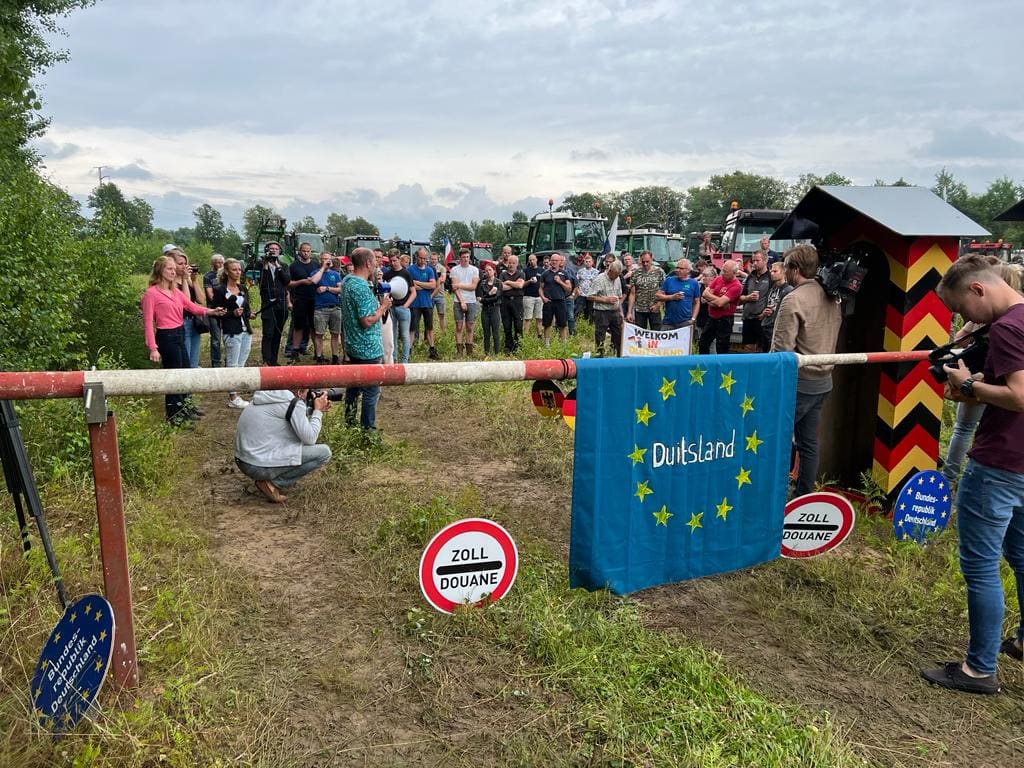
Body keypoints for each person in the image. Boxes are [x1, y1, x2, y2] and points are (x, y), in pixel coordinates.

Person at [920, 254, 1024, 695]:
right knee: (1022, 557)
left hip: (998, 463)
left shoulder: (1008, 328)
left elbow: (1018, 396)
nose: (966, 319)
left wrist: (966, 384)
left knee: (981, 568)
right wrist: (976, 386)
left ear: (978, 289)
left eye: (962, 308)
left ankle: (978, 669)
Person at [769, 244, 841, 497]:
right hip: (824, 381)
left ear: (795, 269)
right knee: (808, 442)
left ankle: (773, 495)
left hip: (799, 383)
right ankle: (803, 496)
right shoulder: (831, 296)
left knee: (774, 439)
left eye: (786, 266)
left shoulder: (794, 299)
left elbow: (782, 351)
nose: (784, 271)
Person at [141, 255, 226, 424]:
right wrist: (153, 348)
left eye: (174, 269)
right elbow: (148, 323)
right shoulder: (151, 294)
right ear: (160, 271)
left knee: (185, 372)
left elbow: (191, 307)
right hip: (166, 337)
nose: (173, 272)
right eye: (169, 269)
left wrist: (211, 311)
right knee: (174, 376)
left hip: (180, 333)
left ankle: (185, 408)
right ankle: (174, 415)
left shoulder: (175, 292)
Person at [234, 388, 333, 503]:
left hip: (243, 461)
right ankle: (273, 484)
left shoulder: (267, 396)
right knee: (324, 453)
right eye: (307, 392)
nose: (309, 395)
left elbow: (285, 413)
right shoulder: (293, 404)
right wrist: (318, 411)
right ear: (300, 392)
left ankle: (268, 479)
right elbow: (310, 438)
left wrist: (311, 410)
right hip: (257, 466)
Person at [341, 248, 391, 429]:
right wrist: (383, 307)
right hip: (367, 347)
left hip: (352, 344)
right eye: (375, 262)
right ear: (368, 263)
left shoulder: (347, 281)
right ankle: (368, 429)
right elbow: (367, 321)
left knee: (353, 387)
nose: (377, 265)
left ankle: (349, 422)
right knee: (371, 391)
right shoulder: (361, 287)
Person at [210, 258, 254, 409]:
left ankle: (236, 390)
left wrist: (248, 314)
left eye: (239, 269)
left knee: (241, 362)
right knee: (232, 363)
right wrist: (231, 313)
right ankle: (232, 396)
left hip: (245, 330)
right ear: (227, 272)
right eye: (234, 269)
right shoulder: (220, 290)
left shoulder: (243, 288)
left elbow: (246, 308)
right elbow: (215, 312)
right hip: (231, 331)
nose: (238, 272)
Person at [699, 260, 742, 354]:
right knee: (703, 342)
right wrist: (718, 300)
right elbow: (705, 293)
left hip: (724, 319)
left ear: (734, 273)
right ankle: (703, 361)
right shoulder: (718, 279)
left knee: (721, 346)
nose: (722, 273)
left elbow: (719, 303)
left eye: (725, 272)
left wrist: (711, 300)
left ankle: (721, 363)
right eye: (722, 270)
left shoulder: (737, 286)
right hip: (712, 317)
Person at [172, 250, 206, 369]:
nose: (184, 266)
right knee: (185, 360)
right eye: (180, 264)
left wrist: (194, 280)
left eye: (185, 264)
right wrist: (185, 280)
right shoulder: (171, 283)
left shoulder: (188, 279)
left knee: (194, 360)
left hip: (194, 321)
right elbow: (185, 301)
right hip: (181, 321)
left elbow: (201, 300)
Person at [258, 242, 290, 366]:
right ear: (267, 250)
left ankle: (273, 360)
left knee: (277, 332)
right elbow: (262, 282)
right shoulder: (261, 265)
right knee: (268, 332)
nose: (274, 251)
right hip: (267, 303)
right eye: (271, 249)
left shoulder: (284, 266)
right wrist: (266, 264)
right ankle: (266, 359)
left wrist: (278, 266)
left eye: (276, 249)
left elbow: (286, 281)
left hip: (281, 303)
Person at [287, 242, 319, 364]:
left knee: (314, 327)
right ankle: (294, 351)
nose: (306, 253)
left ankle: (318, 352)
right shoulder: (294, 266)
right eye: (304, 251)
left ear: (311, 252)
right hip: (299, 299)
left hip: (314, 299)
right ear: (300, 251)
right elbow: (288, 284)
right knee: (298, 326)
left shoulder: (315, 265)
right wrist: (301, 281)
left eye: (308, 251)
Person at [385, 248, 416, 364]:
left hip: (403, 308)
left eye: (395, 260)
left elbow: (413, 292)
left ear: (399, 259)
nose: (393, 263)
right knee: (392, 335)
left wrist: (406, 305)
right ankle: (394, 359)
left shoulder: (406, 273)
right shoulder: (387, 274)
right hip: (391, 308)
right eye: (391, 261)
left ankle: (405, 360)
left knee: (405, 336)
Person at [312, 250, 343, 365]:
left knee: (335, 333)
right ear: (320, 260)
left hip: (335, 307)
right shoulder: (316, 272)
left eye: (329, 259)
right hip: (320, 308)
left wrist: (327, 288)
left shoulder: (335, 274)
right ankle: (319, 356)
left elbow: (340, 289)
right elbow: (314, 281)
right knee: (319, 334)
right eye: (324, 259)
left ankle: (335, 356)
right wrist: (322, 268)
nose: (327, 261)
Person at [588, 260, 624, 356]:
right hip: (602, 312)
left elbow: (619, 296)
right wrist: (605, 300)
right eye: (615, 274)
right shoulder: (599, 279)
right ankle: (600, 356)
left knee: (618, 334)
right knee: (600, 335)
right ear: (610, 271)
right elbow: (590, 296)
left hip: (615, 311)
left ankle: (619, 355)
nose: (616, 277)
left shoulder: (618, 278)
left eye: (618, 275)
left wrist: (620, 312)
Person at [409, 248, 439, 359]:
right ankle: (409, 350)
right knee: (412, 328)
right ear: (416, 257)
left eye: (424, 258)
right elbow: (410, 285)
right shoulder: (410, 269)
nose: (423, 261)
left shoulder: (429, 270)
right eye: (421, 258)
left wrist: (417, 282)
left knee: (429, 328)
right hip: (414, 303)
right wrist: (425, 285)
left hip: (427, 303)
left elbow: (433, 285)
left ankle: (432, 349)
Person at [738, 250, 771, 352]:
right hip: (748, 318)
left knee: (762, 349)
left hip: (762, 320)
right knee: (748, 348)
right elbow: (740, 298)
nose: (755, 263)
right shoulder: (750, 277)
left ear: (765, 261)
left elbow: (774, 298)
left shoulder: (771, 277)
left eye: (757, 260)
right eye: (753, 261)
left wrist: (766, 312)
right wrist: (748, 298)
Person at [450, 248, 480, 357]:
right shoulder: (454, 270)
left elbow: (473, 286)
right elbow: (455, 288)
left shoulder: (474, 270)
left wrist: (459, 285)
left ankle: (469, 351)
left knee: (470, 326)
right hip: (458, 300)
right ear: (460, 258)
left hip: (471, 300)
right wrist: (462, 301)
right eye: (463, 257)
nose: (466, 259)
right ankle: (459, 351)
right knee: (459, 326)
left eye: (467, 257)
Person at [656, 258, 701, 331]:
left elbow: (697, 302)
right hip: (668, 322)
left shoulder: (694, 283)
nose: (678, 270)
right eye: (677, 268)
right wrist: (672, 297)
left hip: (685, 322)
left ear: (688, 270)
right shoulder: (669, 280)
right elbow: (658, 296)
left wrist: (693, 319)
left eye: (681, 268)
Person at [759, 259, 793, 352]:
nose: (772, 273)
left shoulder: (788, 290)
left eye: (775, 271)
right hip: (766, 326)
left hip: (776, 329)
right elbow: (766, 307)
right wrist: (764, 313)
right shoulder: (772, 288)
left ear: (783, 273)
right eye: (771, 271)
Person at [627, 250, 666, 330]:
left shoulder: (659, 272)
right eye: (643, 262)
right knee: (640, 333)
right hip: (640, 309)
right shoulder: (635, 273)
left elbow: (664, 290)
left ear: (652, 259)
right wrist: (629, 312)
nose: (645, 264)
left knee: (656, 332)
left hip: (654, 308)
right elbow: (632, 293)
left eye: (647, 261)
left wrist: (658, 305)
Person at [539, 252, 572, 346]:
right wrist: (543, 297)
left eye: (556, 260)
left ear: (560, 261)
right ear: (550, 261)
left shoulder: (564, 273)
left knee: (562, 324)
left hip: (560, 301)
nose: (554, 262)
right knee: (547, 324)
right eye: (552, 260)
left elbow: (569, 288)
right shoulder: (545, 274)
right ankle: (547, 345)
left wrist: (560, 281)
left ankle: (564, 345)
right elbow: (540, 288)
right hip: (548, 302)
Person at [498, 253, 525, 354]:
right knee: (507, 325)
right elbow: (501, 287)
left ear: (517, 264)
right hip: (505, 302)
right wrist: (514, 284)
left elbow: (520, 286)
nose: (511, 265)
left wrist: (508, 282)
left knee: (518, 325)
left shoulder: (521, 274)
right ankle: (508, 347)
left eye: (513, 263)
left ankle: (519, 347)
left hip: (517, 302)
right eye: (509, 263)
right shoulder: (502, 274)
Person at [203, 253, 225, 367]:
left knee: (228, 337)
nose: (220, 265)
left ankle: (229, 361)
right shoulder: (208, 276)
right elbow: (210, 295)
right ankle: (216, 362)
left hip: (226, 310)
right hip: (213, 309)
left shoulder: (226, 275)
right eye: (218, 262)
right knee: (216, 338)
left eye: (222, 262)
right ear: (213, 263)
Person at [476, 261, 502, 356]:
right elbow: (479, 298)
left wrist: (484, 298)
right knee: (486, 333)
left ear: (494, 271)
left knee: (496, 333)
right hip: (485, 310)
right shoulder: (482, 283)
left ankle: (497, 353)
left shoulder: (498, 282)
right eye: (486, 271)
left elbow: (497, 297)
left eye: (490, 270)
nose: (488, 272)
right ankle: (486, 353)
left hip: (495, 309)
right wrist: (489, 294)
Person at [522, 253, 544, 339]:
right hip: (528, 297)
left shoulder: (542, 270)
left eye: (533, 260)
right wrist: (529, 281)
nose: (531, 261)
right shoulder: (525, 271)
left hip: (539, 297)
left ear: (536, 260)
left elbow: (544, 283)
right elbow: (522, 284)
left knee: (539, 318)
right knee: (527, 318)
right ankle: (526, 338)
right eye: (530, 260)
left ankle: (539, 336)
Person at [575, 253, 599, 323]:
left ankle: (590, 325)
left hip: (591, 295)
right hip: (581, 294)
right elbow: (576, 282)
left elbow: (598, 283)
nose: (588, 263)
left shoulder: (596, 272)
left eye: (589, 261)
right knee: (579, 311)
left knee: (590, 312)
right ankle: (579, 324)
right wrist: (577, 290)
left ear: (592, 262)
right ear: (584, 262)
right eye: (586, 261)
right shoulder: (580, 271)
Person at [429, 251, 448, 337]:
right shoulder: (427, 267)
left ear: (437, 259)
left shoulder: (442, 268)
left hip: (440, 295)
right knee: (429, 316)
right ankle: (429, 334)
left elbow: (443, 279)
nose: (433, 261)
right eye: (432, 259)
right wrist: (438, 279)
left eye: (435, 259)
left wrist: (432, 281)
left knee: (441, 314)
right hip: (429, 295)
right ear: (430, 259)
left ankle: (443, 333)